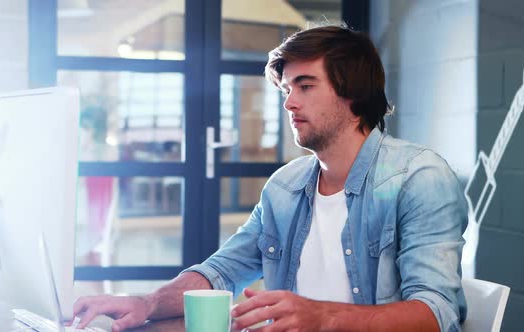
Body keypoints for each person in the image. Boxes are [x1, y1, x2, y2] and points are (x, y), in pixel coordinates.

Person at [72, 24, 467, 332]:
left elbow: (436, 315)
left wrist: (321, 317)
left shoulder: (418, 178)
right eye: (286, 88)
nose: (289, 101)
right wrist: (146, 303)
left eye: (306, 86)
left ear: (353, 94)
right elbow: (221, 272)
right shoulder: (286, 186)